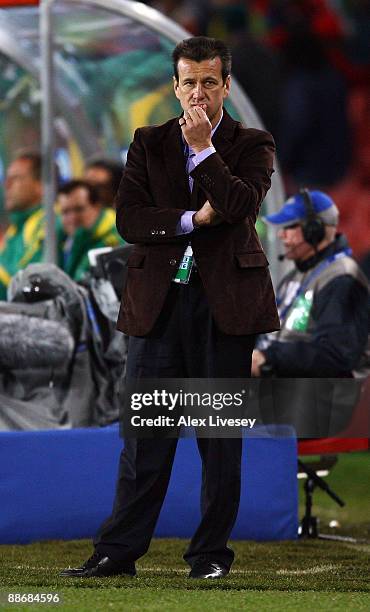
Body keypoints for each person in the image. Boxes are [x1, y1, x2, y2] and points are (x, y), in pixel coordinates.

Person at [61, 36, 279, 580]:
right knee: (145, 440)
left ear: (226, 85)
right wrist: (190, 221)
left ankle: (209, 558)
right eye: (189, 82)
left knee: (219, 441)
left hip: (223, 310)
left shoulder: (253, 143)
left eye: (210, 82)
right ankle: (118, 553)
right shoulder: (147, 142)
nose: (199, 93)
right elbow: (131, 220)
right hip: (157, 308)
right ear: (174, 86)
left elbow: (240, 206)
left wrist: (206, 152)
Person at [252, 189, 369, 379]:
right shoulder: (296, 276)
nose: (281, 235)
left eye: (289, 227)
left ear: (314, 230)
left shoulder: (343, 280)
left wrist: (269, 358)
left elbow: (335, 354)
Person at [57, 179, 123, 282]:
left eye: (79, 209)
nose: (72, 218)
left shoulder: (117, 241)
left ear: (97, 207)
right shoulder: (63, 240)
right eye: (65, 212)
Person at [0, 151, 45, 300]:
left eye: (16, 178)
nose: (7, 185)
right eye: (7, 179)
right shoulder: (17, 227)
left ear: (40, 185)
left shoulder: (48, 222)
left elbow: (22, 278)